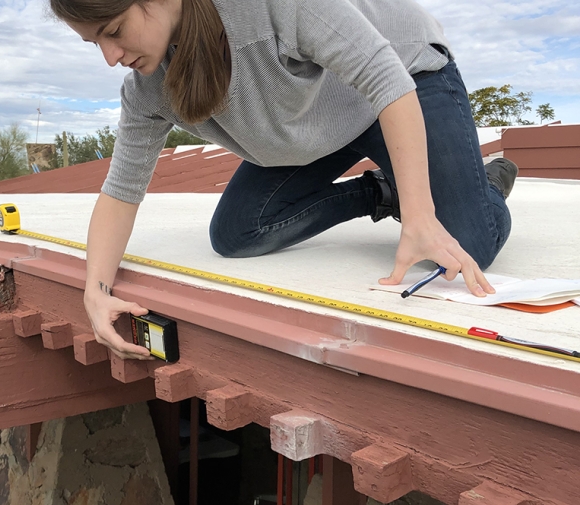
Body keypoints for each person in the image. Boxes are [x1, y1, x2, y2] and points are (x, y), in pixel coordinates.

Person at [49, 0, 518, 360]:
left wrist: (420, 216)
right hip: (319, 119)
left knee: (469, 246)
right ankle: (384, 189)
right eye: (95, 43)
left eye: (113, 31)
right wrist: (95, 291)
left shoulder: (268, 7)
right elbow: (121, 191)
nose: (111, 56)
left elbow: (385, 80)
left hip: (401, 84)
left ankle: (481, 185)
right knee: (238, 233)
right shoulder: (148, 87)